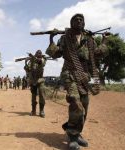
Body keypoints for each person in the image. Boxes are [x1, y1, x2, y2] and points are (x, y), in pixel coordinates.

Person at [46, 14, 108, 149]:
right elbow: (56, 54)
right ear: (71, 23)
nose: (79, 21)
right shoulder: (64, 38)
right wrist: (51, 38)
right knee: (75, 102)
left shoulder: (89, 39)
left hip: (83, 76)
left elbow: (97, 54)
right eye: (76, 19)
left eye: (81, 20)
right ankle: (73, 136)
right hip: (69, 73)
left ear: (84, 23)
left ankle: (76, 132)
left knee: (84, 106)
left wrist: (104, 41)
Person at [24, 50, 46, 118]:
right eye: (37, 53)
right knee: (33, 96)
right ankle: (33, 110)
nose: (38, 54)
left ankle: (41, 111)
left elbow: (40, 63)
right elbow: (28, 70)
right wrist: (26, 63)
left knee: (42, 95)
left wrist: (33, 58)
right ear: (36, 54)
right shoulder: (31, 61)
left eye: (40, 53)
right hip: (33, 81)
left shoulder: (43, 59)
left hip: (40, 80)